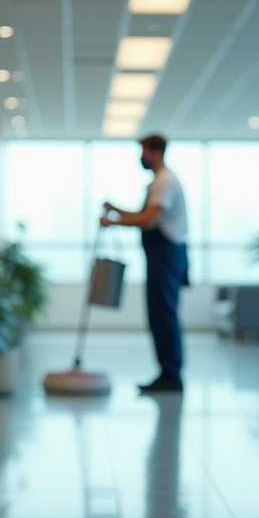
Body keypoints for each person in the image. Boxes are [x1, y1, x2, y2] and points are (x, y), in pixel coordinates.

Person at [100, 134, 189, 392]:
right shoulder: (160, 182)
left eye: (143, 151)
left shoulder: (165, 182)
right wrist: (115, 209)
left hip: (166, 255)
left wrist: (113, 222)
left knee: (163, 316)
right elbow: (144, 215)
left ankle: (171, 376)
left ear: (155, 151)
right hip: (163, 256)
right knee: (160, 315)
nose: (141, 157)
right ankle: (167, 372)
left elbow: (149, 221)